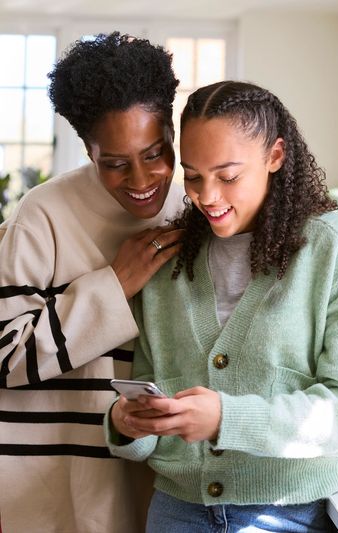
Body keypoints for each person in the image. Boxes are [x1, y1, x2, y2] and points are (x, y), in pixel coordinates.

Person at [105, 80, 338, 533]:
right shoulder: (169, 262)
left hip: (288, 514)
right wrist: (126, 424)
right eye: (192, 176)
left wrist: (227, 419)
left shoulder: (332, 249)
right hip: (176, 512)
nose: (207, 196)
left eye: (228, 176)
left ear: (274, 156)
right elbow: (146, 386)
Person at [0, 32, 184, 533]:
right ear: (88, 150)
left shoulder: (198, 209)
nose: (142, 179)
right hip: (45, 490)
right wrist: (113, 285)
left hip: (162, 488)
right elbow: (4, 356)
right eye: (115, 164)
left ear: (171, 130)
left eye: (155, 153)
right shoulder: (42, 214)